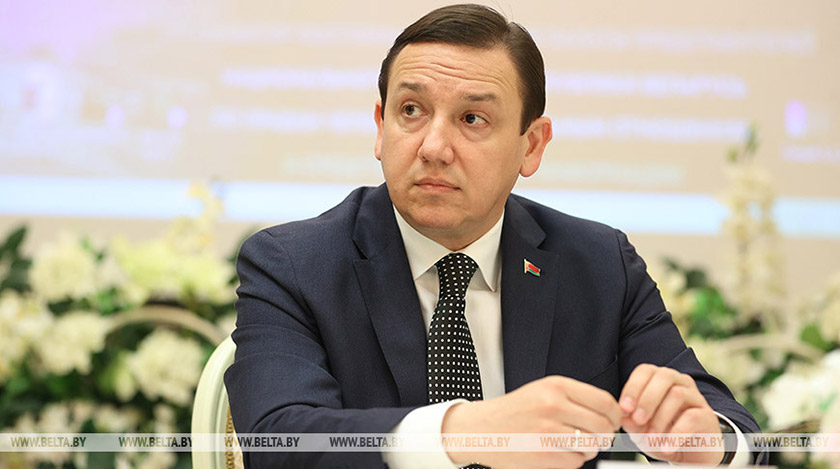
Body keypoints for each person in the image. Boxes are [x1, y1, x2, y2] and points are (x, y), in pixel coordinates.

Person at [225, 4, 763, 468]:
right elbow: (278, 441)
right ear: (380, 125)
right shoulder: (295, 264)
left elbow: (732, 427)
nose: (433, 147)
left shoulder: (599, 264)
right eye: (411, 111)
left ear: (532, 145)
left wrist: (705, 442)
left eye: (472, 119)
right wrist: (468, 430)